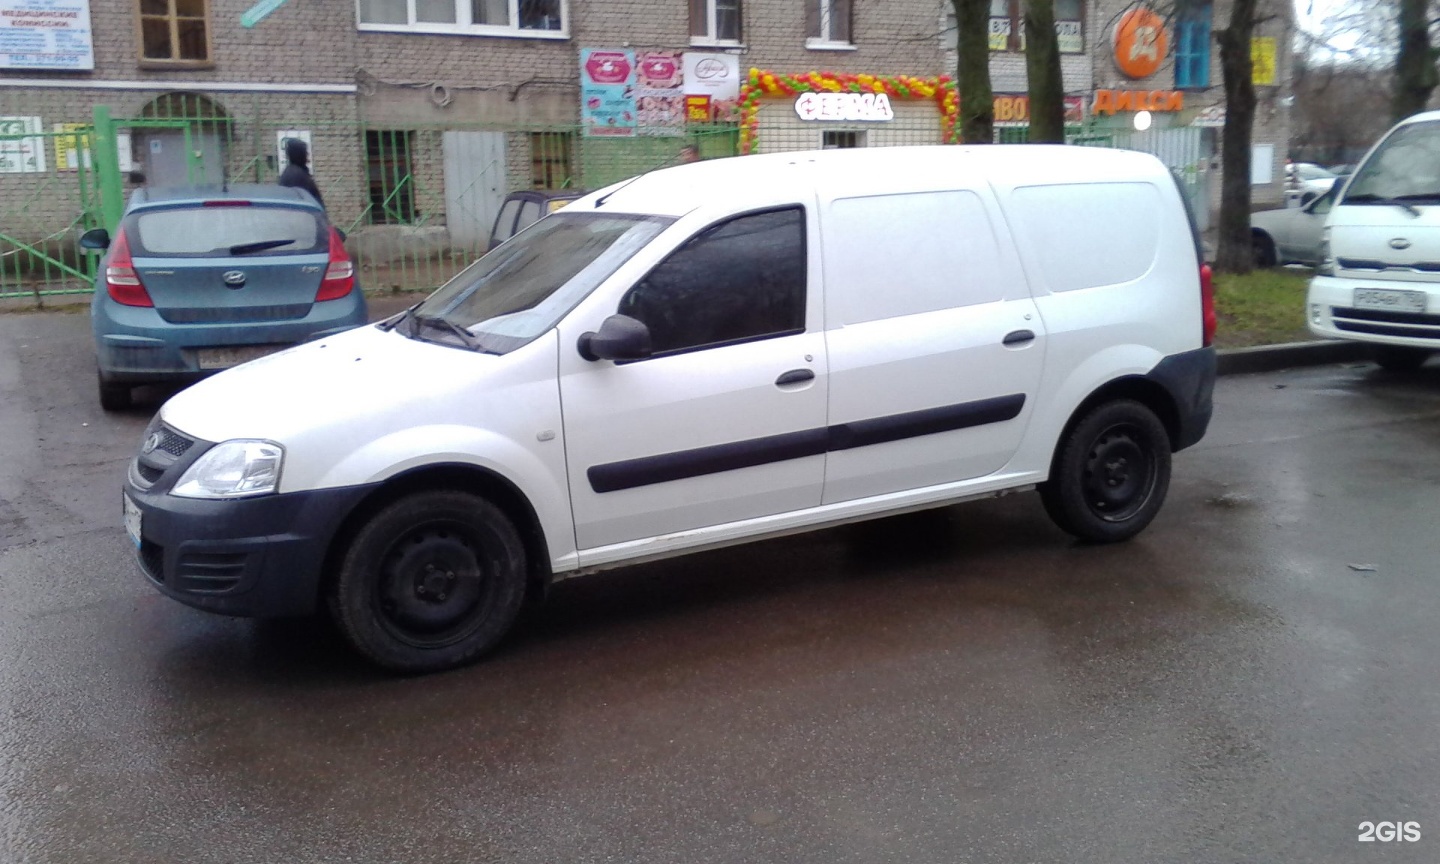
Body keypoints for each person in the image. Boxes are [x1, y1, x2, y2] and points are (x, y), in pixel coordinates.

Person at [278, 137, 324, 208]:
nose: (307, 154)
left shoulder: (295, 172)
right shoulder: (295, 175)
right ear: (299, 154)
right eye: (305, 152)